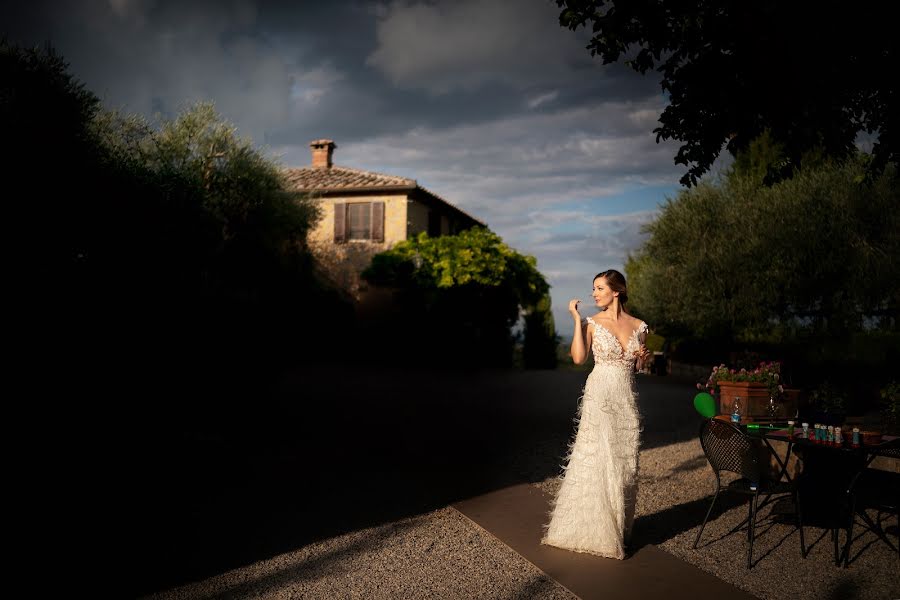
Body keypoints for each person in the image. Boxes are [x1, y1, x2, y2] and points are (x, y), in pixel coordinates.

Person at [541, 269, 651, 559]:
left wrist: (643, 360)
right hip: (599, 395)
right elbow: (578, 359)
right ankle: (595, 532)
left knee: (624, 461)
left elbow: (640, 369)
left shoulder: (640, 326)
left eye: (599, 288)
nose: (593, 294)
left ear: (616, 291)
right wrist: (576, 321)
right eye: (593, 289)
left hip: (625, 398)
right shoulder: (592, 323)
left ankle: (616, 527)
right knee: (599, 456)